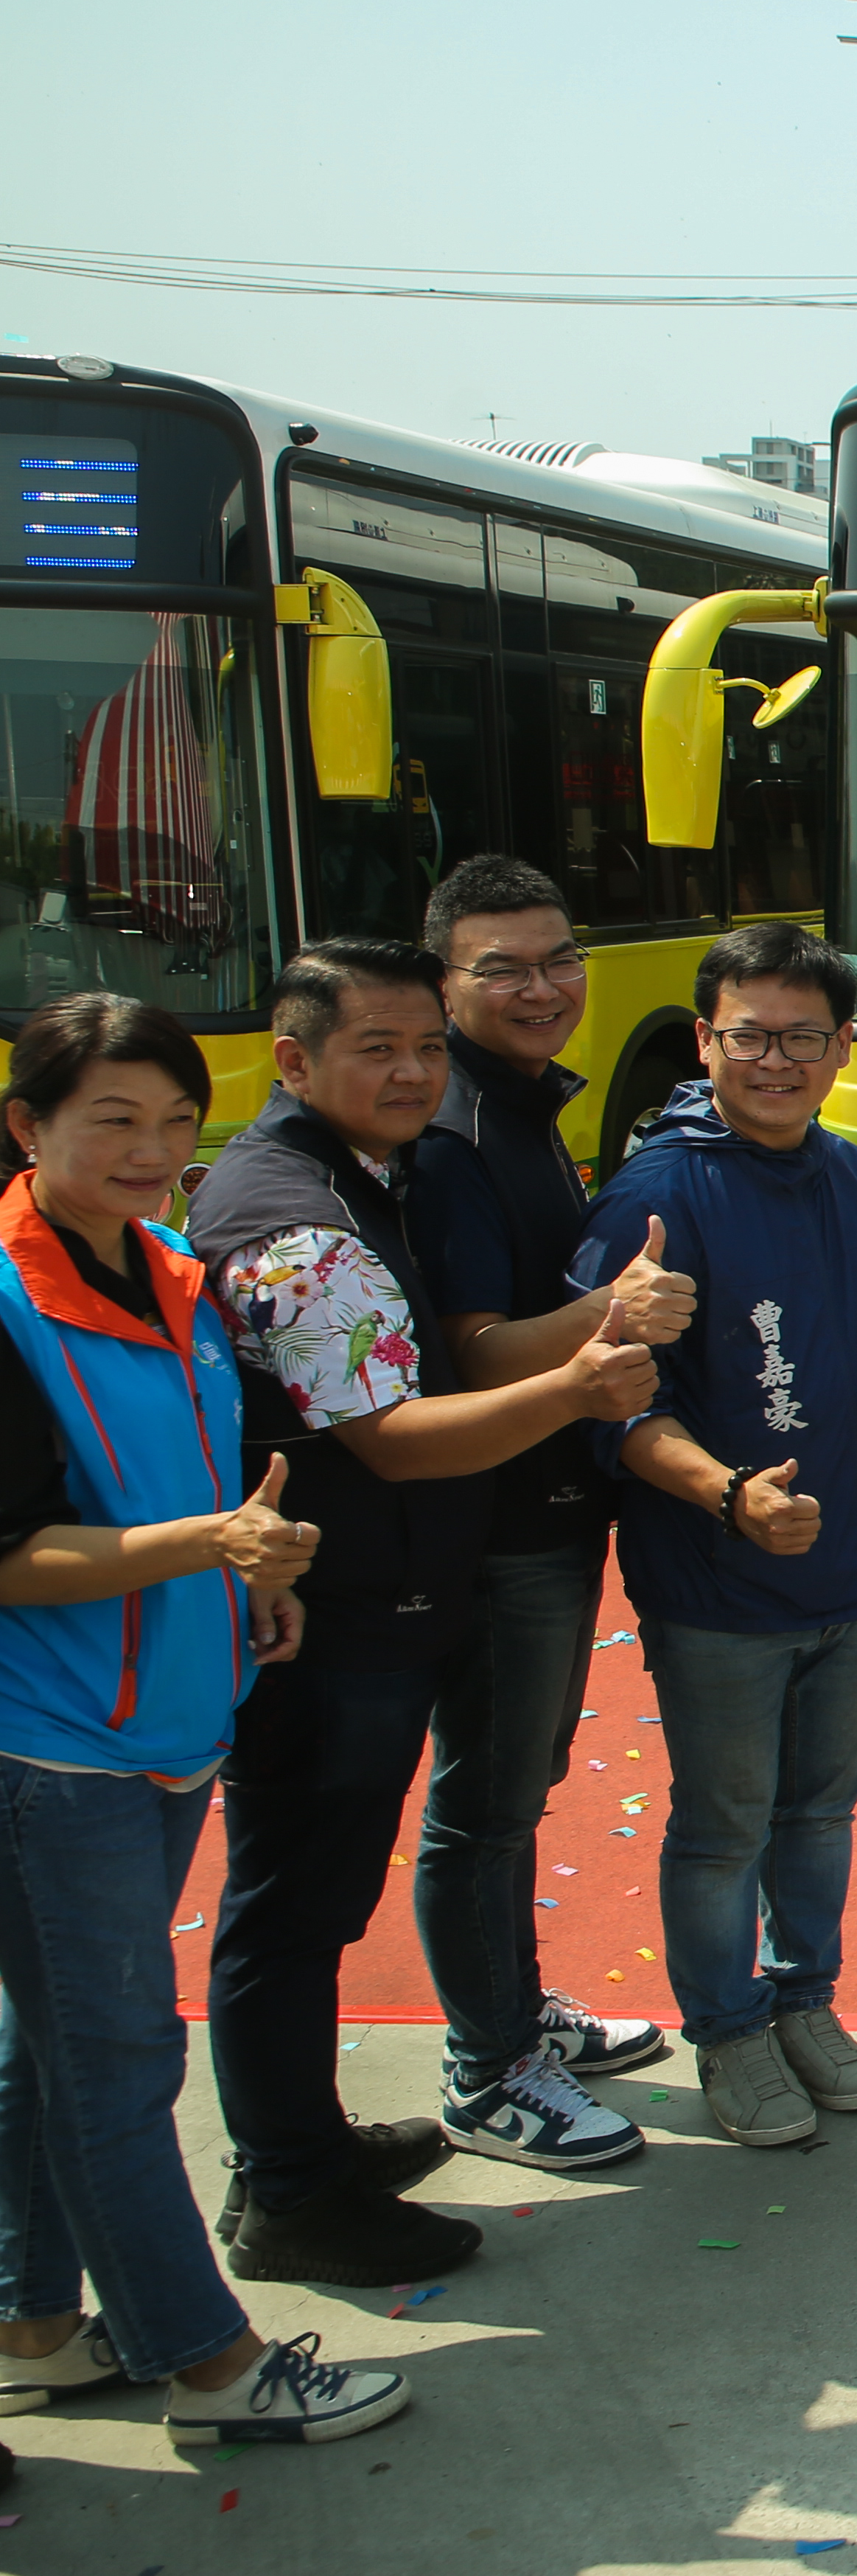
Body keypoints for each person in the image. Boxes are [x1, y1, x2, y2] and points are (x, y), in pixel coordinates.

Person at [197, 941, 671, 2275]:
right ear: (294, 1061)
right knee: (293, 1907)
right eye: (377, 1050)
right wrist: (580, 1389)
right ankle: (290, 2191)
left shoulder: (375, 1173)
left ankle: (301, 2146)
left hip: (382, 1591)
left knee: (317, 1896)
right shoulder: (297, 1218)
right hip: (337, 1610)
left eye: (422, 1050)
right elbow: (394, 1437)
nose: (410, 1074)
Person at [0, 996, 412, 2447]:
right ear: (27, 1126)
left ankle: (35, 2322)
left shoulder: (173, 1270)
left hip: (175, 1714)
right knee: (118, 2064)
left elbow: (207, 1482)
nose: (152, 1154)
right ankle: (207, 2364)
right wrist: (207, 1552)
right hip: (51, 1747)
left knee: (48, 2047)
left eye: (177, 1125)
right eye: (112, 1121)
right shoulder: (3, 1296)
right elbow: (16, 1556)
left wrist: (254, 1589)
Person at [576, 922, 857, 2149]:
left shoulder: (846, 1175)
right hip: (717, 1575)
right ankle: (727, 2032)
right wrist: (731, 1496)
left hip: (845, 1558)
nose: (772, 1060)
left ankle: (806, 2005)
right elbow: (616, 1406)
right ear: (703, 1041)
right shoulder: (656, 1194)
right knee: (725, 1822)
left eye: (800, 1037)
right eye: (747, 1036)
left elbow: (848, 1348)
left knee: (821, 1814)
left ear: (840, 1049)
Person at [401, 857, 679, 2161]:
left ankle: (516, 2016)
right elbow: (471, 1349)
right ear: (444, 980)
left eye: (557, 957)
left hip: (550, 1507)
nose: (541, 987)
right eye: (499, 966)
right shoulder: (455, 1134)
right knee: (489, 1800)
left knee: (522, 1784)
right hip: (501, 1523)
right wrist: (615, 1316)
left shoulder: (512, 1107)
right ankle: (486, 2068)